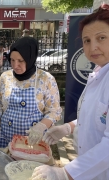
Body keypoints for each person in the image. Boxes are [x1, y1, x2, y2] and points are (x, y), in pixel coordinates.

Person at [31, 4, 109, 180]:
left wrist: (65, 173)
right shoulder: (98, 73)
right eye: (87, 40)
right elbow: (95, 116)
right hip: (90, 171)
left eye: (101, 38)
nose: (93, 46)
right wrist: (68, 127)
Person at [0, 37, 62, 148]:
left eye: (20, 61)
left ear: (30, 59)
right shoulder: (5, 77)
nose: (15, 65)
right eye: (12, 60)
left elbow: (54, 111)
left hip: (33, 143)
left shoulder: (46, 79)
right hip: (5, 139)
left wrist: (42, 126)